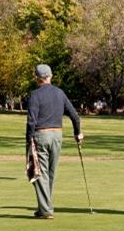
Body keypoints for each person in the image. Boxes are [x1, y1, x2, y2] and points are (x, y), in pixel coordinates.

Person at [26, 63, 82, 219]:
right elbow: (74, 116)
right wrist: (78, 133)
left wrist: (28, 141)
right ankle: (44, 206)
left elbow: (31, 121)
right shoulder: (60, 93)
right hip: (57, 135)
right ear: (50, 76)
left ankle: (45, 210)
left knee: (40, 172)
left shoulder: (34, 95)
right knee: (50, 172)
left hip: (41, 135)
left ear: (36, 78)